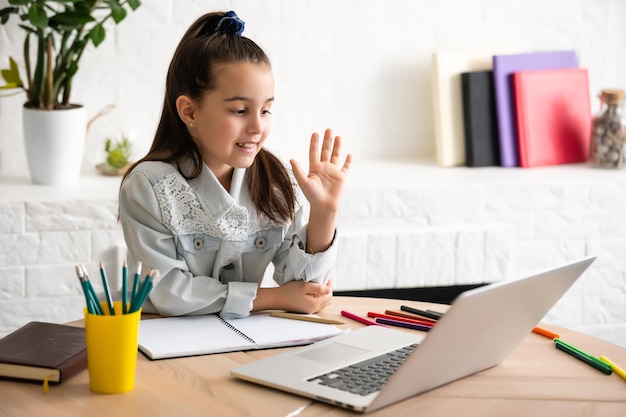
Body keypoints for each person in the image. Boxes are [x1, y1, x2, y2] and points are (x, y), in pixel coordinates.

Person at [118, 11, 351, 319]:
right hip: (170, 349)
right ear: (189, 111)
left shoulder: (275, 179)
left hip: (245, 342)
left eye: (266, 110)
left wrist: (324, 214)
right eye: (240, 110)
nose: (257, 127)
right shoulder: (149, 186)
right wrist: (269, 297)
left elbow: (305, 292)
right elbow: (166, 292)